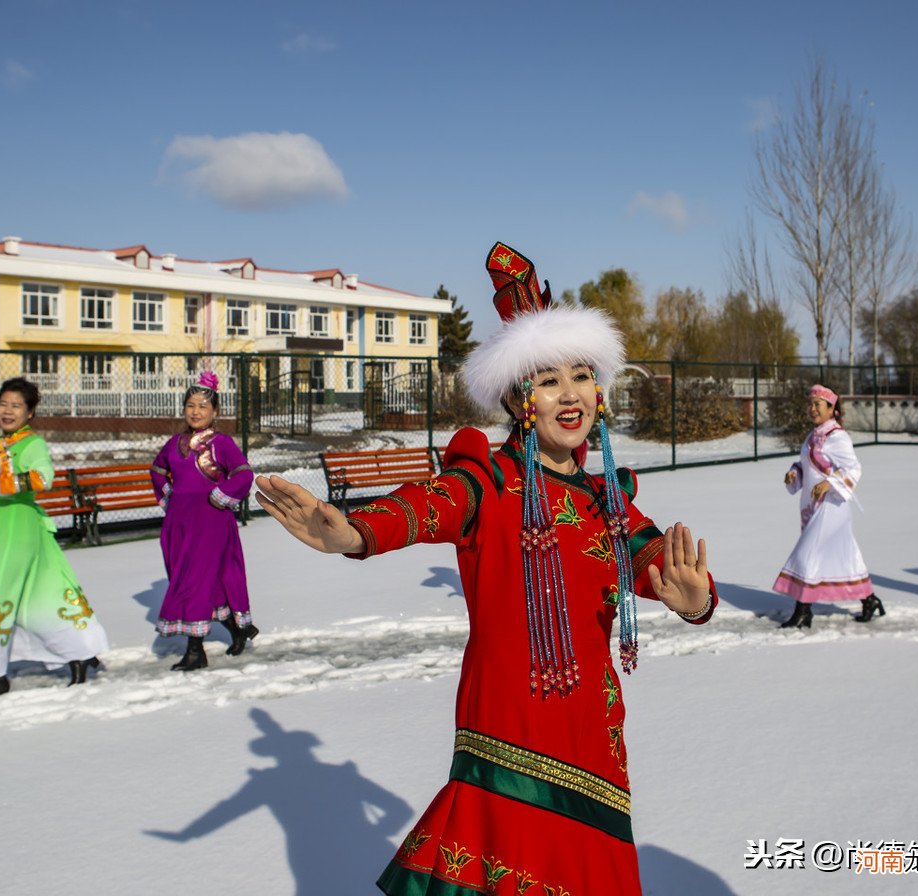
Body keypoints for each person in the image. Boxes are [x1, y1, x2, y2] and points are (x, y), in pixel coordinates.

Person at [256, 243, 718, 896]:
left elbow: (661, 569)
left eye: (581, 376)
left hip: (595, 738)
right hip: (507, 726)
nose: (569, 394)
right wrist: (357, 532)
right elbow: (427, 506)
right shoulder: (489, 483)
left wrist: (694, 600)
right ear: (517, 396)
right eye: (547, 378)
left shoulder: (605, 502)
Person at [0, 377, 109, 697]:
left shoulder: (33, 444)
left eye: (16, 406)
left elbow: (42, 478)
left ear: (30, 413)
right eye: (3, 404)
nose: (7, 411)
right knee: (35, 603)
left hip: (16, 531)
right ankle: (80, 654)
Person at [149, 370, 257, 671]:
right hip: (180, 525)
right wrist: (170, 497)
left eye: (203, 406)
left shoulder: (221, 444)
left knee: (195, 581)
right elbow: (157, 471)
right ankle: (237, 630)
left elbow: (243, 474)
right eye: (191, 405)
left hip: (210, 524)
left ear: (215, 412)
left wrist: (221, 494)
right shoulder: (174, 443)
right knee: (201, 582)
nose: (195, 412)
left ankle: (195, 652)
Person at [773, 384, 883, 627]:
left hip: (832, 506)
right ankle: (869, 599)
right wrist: (795, 472)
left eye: (817, 404)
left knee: (807, 554)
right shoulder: (813, 436)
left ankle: (803, 611)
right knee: (845, 555)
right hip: (813, 505)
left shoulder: (838, 437)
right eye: (810, 404)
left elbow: (853, 468)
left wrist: (830, 483)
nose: (812, 409)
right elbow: (807, 463)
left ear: (832, 408)